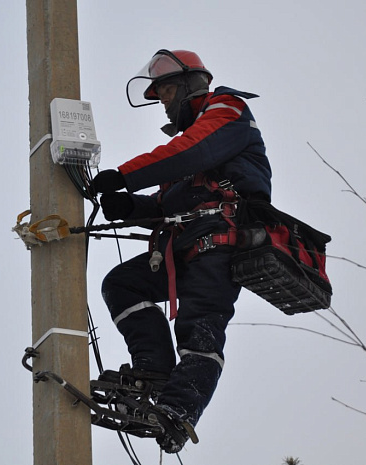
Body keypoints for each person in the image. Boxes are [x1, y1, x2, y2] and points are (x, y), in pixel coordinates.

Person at [92, 49, 272, 453]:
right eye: (159, 95)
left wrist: (125, 175)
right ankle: (154, 369)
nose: (165, 101)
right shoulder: (186, 158)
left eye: (168, 89)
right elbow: (163, 207)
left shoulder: (228, 110)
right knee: (122, 285)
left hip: (220, 243)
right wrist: (129, 205)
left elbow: (193, 150)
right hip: (182, 245)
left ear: (193, 84)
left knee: (199, 328)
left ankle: (179, 411)